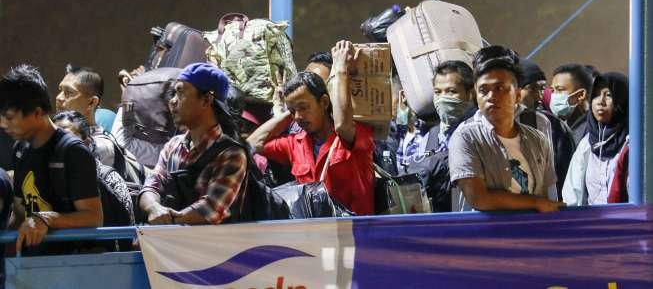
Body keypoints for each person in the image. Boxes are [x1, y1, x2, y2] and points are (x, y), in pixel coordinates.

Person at [248, 40, 375, 215]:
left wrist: (340, 68)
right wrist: (292, 110)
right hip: (313, 238)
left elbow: (342, 126)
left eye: (304, 107)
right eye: (294, 111)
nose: (298, 117)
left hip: (355, 235)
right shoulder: (294, 144)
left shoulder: (354, 134)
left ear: (324, 101)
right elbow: (253, 144)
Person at [0, 65, 102, 253]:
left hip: (67, 267)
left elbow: (93, 217)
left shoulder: (73, 152)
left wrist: (46, 219)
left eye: (10, 117)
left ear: (37, 112)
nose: (3, 124)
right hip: (30, 266)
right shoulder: (20, 149)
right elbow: (21, 214)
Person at [448, 46, 562, 212]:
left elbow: (546, 195)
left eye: (499, 88)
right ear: (476, 96)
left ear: (516, 95)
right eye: (483, 90)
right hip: (487, 236)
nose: (491, 96)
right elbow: (479, 199)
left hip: (531, 234)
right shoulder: (465, 137)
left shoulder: (537, 139)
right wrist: (534, 203)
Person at [138, 63, 248, 225]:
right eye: (173, 94)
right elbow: (151, 185)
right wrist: (154, 208)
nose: (172, 101)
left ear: (206, 100)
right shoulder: (173, 146)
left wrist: (165, 220)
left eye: (181, 93)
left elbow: (211, 209)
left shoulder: (231, 154)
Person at [56, 64, 146, 185]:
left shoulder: (100, 147)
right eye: (60, 90)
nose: (59, 98)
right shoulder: (61, 136)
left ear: (92, 102)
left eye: (69, 92)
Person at [406, 61, 476, 212]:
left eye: (451, 91)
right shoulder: (431, 137)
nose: (443, 99)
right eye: (438, 92)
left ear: (470, 93)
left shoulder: (480, 130)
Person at [563, 72, 629, 205]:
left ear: (622, 100)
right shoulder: (587, 142)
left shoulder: (632, 142)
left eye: (608, 95)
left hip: (629, 221)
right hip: (593, 222)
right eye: (596, 95)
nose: (600, 101)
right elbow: (572, 193)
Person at [517, 59, 576, 197]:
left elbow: (563, 173)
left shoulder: (554, 126)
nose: (539, 96)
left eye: (542, 88)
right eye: (531, 89)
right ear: (515, 89)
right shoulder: (500, 124)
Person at [550, 63, 594, 144]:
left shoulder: (594, 130)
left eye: (560, 90)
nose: (554, 96)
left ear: (581, 95)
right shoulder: (559, 127)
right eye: (553, 90)